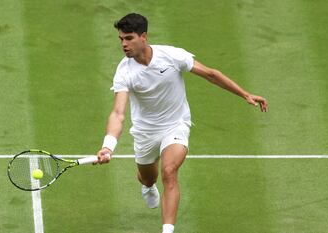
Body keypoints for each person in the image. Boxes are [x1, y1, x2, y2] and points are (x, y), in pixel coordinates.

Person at [95, 13, 268, 233]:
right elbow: (118, 113)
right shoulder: (124, 72)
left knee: (169, 171)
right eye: (121, 39)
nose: (124, 44)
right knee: (148, 177)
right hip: (145, 132)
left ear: (144, 37)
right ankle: (147, 187)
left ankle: (168, 230)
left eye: (129, 38)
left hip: (175, 124)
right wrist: (108, 146)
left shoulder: (171, 56)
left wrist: (245, 94)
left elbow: (210, 74)